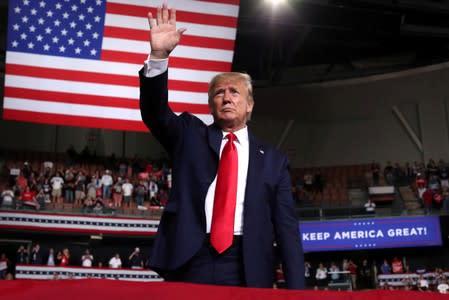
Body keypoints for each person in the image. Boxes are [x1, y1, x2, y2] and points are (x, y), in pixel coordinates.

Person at [139, 4, 304, 289]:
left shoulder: (273, 161)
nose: (227, 98)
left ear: (249, 105)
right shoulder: (190, 135)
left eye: (234, 92)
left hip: (248, 263)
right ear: (211, 105)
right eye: (219, 93)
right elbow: (155, 114)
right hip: (192, 258)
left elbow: (287, 230)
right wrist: (158, 57)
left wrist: (297, 292)